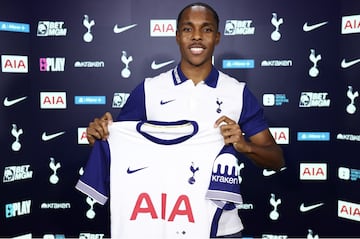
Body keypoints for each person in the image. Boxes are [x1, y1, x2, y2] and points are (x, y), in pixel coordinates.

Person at [83, 2, 285, 238]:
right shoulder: (150, 89)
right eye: (188, 29)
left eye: (206, 29)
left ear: (217, 37)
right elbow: (120, 150)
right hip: (162, 225)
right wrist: (100, 135)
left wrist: (245, 146)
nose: (197, 37)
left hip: (222, 229)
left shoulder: (237, 92)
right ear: (177, 36)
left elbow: (276, 159)